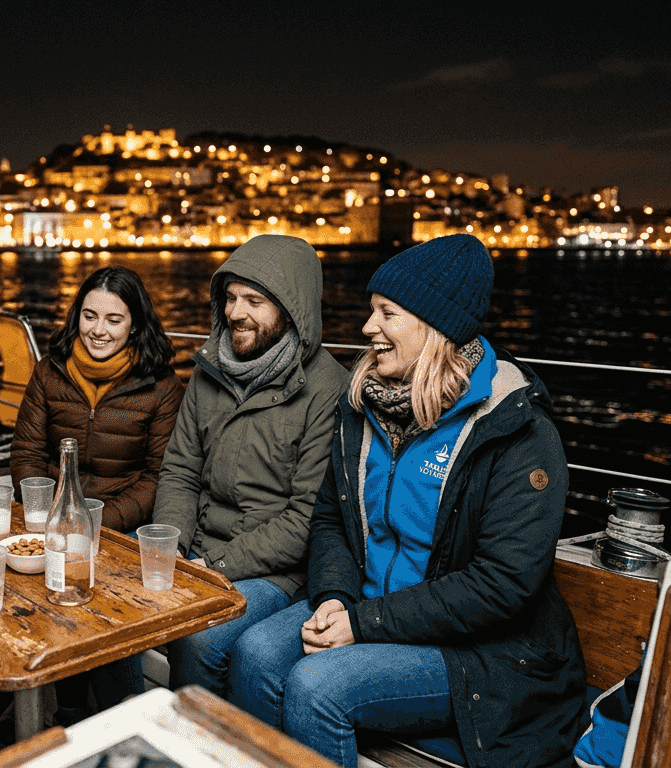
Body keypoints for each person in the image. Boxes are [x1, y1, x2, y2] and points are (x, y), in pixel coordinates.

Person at [230, 234, 587, 767]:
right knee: (254, 654)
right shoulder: (363, 408)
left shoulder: (515, 430)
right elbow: (332, 517)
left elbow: (504, 584)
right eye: (372, 311)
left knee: (317, 686)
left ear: (433, 326)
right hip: (364, 607)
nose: (368, 327)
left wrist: (364, 623)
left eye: (386, 313)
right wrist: (333, 596)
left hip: (473, 650)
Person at [0, 265, 186, 742]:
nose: (98, 330)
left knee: (86, 583)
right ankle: (14, 683)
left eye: (113, 320)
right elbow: (27, 452)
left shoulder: (160, 385)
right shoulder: (51, 370)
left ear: (135, 324)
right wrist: (48, 515)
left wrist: (95, 524)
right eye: (89, 316)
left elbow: (159, 477)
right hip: (53, 511)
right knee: (16, 575)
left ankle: (70, 710)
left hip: (123, 520)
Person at [152, 234, 348, 697]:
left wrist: (213, 566)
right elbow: (180, 469)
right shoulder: (210, 369)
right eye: (231, 298)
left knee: (198, 637)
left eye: (254, 300)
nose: (236, 312)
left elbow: (305, 519)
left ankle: (212, 746)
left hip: (277, 571)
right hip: (199, 551)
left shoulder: (326, 389)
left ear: (291, 309)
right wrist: (173, 550)